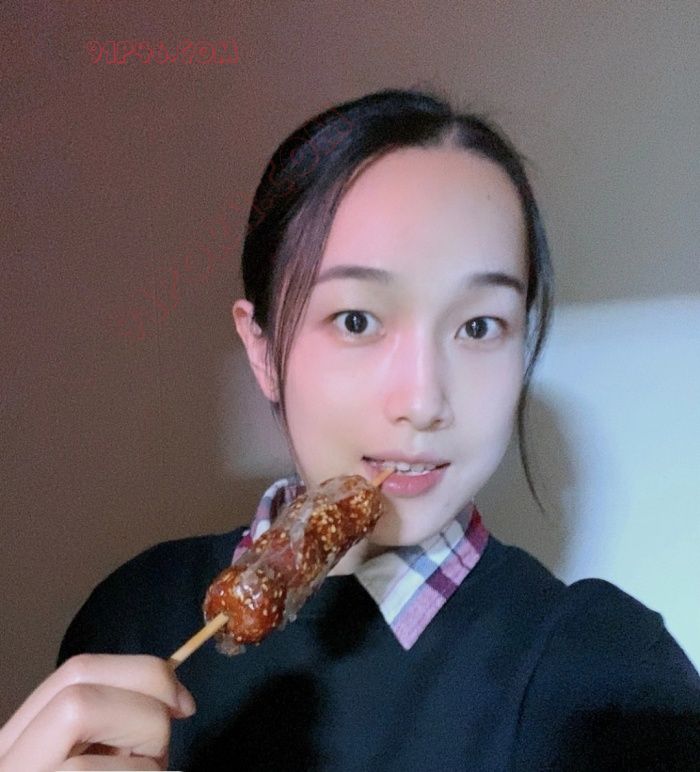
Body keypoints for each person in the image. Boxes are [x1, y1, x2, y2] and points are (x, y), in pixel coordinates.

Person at [1, 89, 698, 771]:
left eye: (479, 326)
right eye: (357, 320)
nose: (422, 401)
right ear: (261, 352)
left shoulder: (609, 674)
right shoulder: (134, 616)